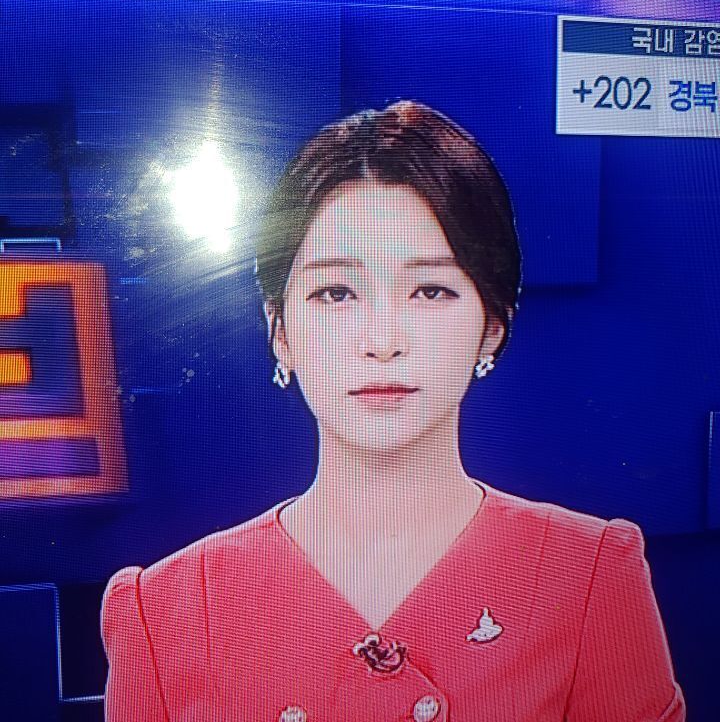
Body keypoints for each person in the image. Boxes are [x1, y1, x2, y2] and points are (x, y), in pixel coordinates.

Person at [101, 99, 686, 721]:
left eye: (430, 290)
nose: (382, 341)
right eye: (336, 293)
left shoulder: (590, 578)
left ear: (492, 326)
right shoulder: (162, 613)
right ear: (281, 332)